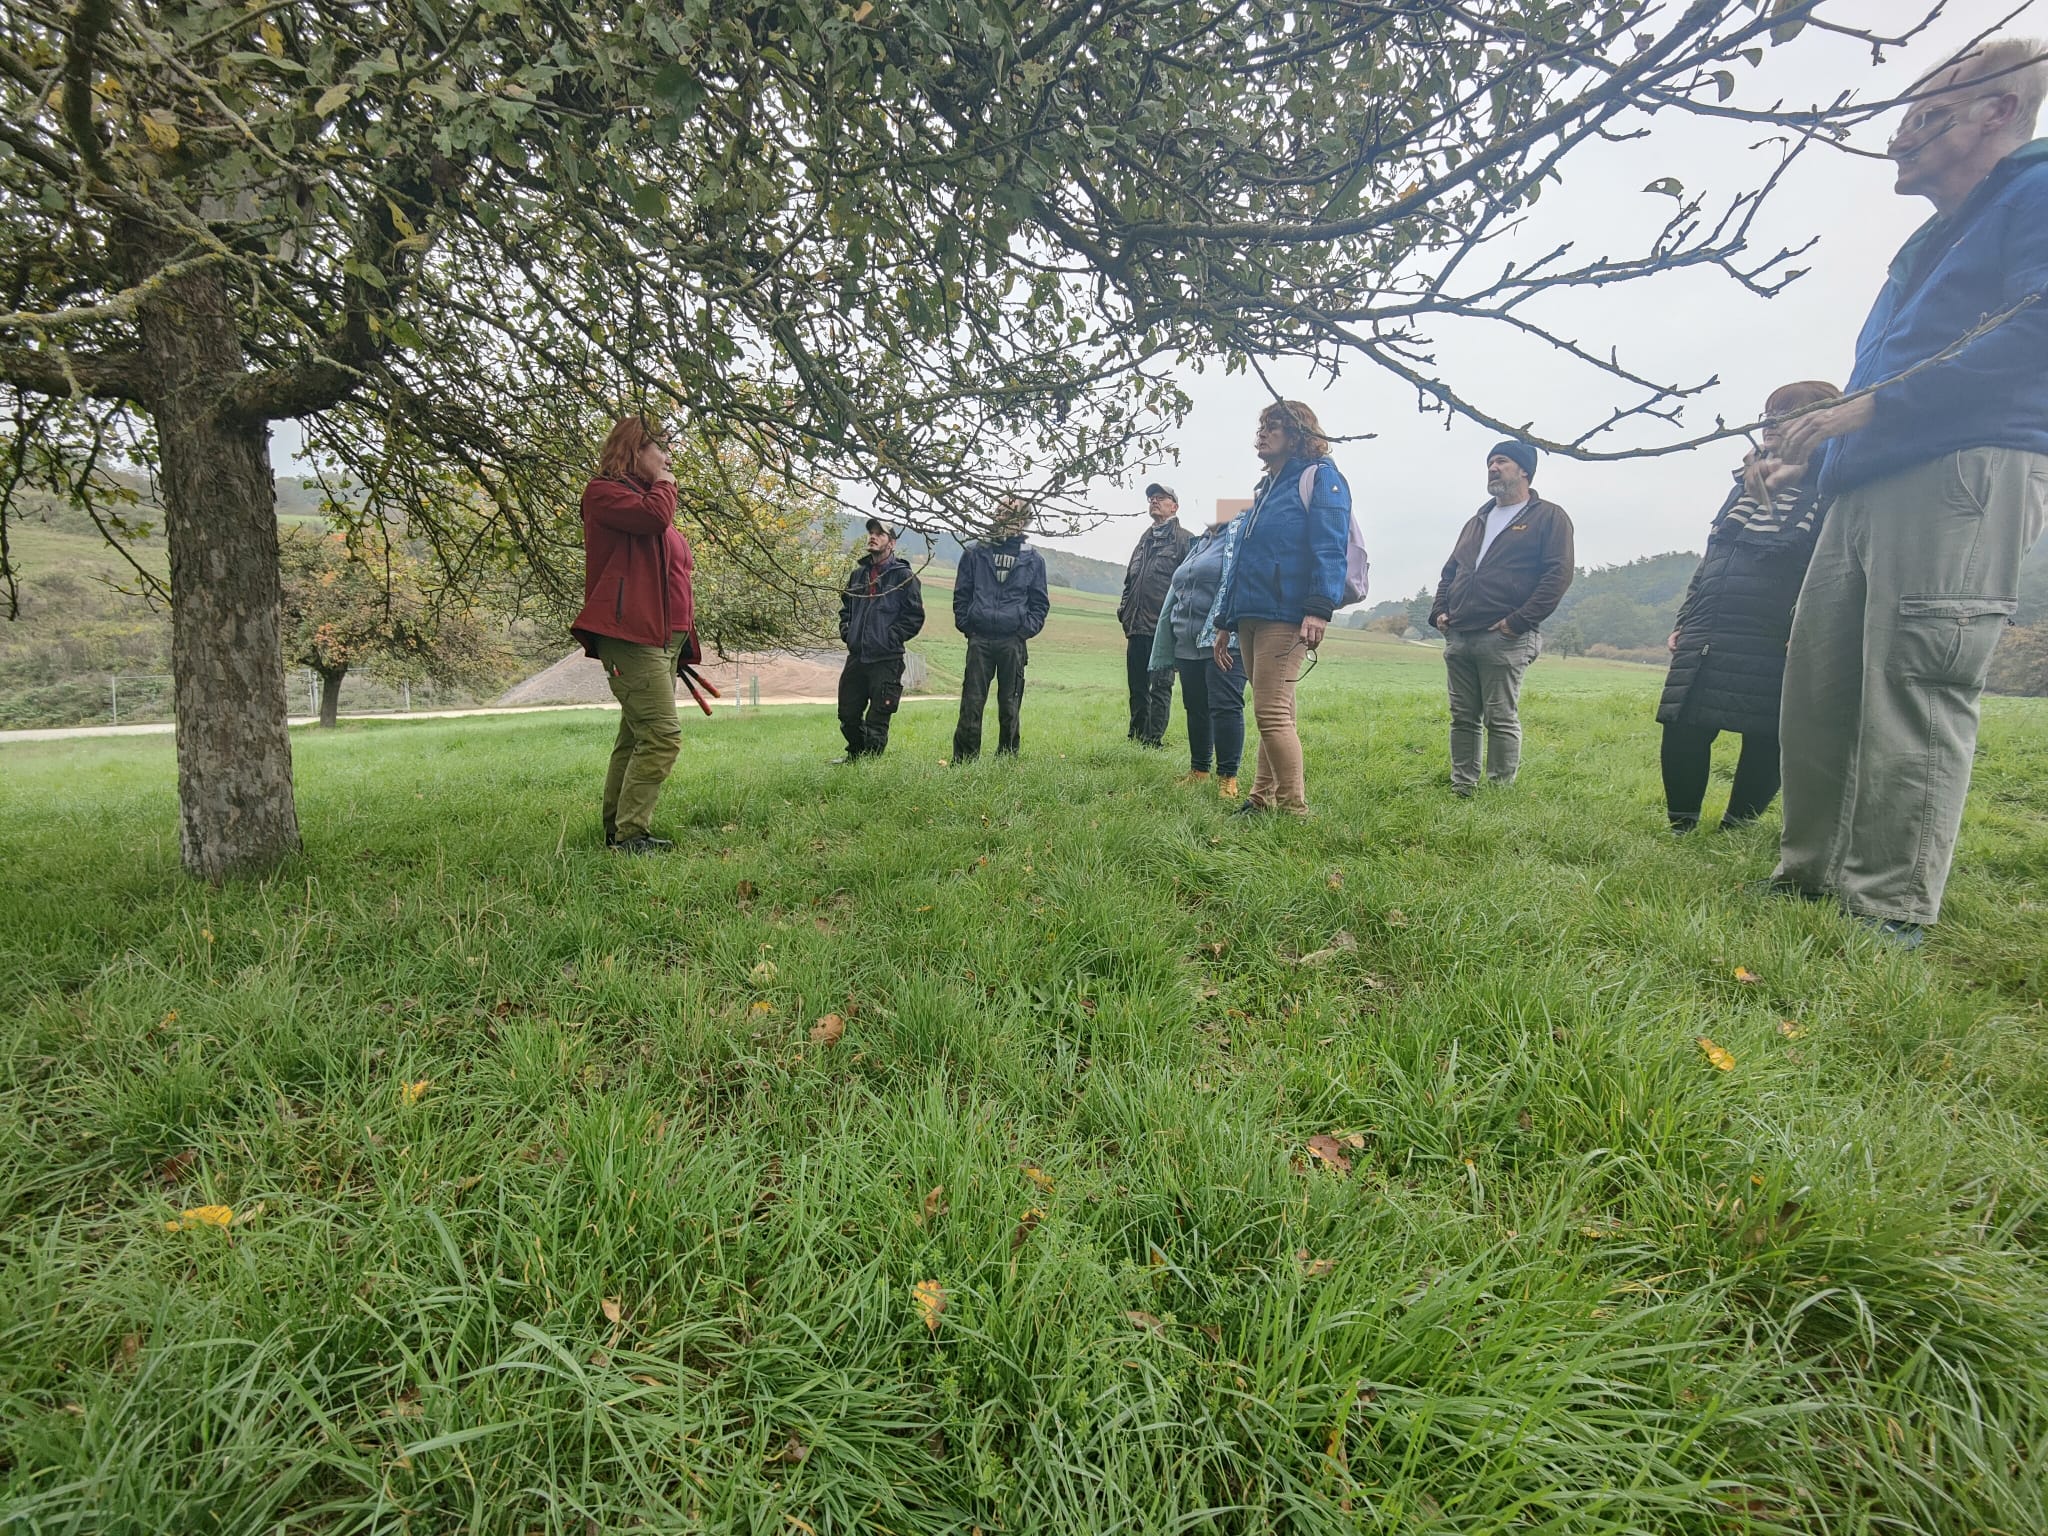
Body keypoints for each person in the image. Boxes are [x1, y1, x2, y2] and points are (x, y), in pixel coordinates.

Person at [1767, 37, 2048, 948]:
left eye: (1926, 116)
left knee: (1917, 682)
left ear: (1999, 113)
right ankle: (1809, 870)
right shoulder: (1928, 241)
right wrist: (1815, 451)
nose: (1899, 137)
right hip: (1868, 478)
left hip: (1963, 467)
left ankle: (1886, 905)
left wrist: (1877, 405)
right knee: (1822, 682)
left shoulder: (2035, 193)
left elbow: (2035, 329)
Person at [1657, 382, 1839, 832]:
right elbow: (1713, 556)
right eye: (1768, 412)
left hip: (1777, 633)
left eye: (1787, 413)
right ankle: (1681, 824)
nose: (1771, 422)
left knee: (1765, 734)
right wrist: (1687, 617)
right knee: (1682, 723)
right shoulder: (1742, 487)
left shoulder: (1831, 487)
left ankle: (1736, 827)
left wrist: (1808, 625)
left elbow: (1831, 567)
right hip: (1710, 626)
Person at [1209, 401, 1352, 816]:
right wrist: (1225, 621)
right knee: (1277, 709)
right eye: (1262, 426)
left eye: (1275, 427)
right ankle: (1261, 798)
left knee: (1270, 712)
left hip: (1286, 612)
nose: (1263, 433)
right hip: (1252, 611)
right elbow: (1242, 559)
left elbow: (1330, 545)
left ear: (1297, 434)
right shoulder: (1267, 488)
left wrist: (1318, 609)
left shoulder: (1320, 478)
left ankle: (1293, 809)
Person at [569, 415, 696, 854]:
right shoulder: (605, 494)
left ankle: (616, 829)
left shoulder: (645, 499)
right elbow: (654, 519)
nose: (667, 457)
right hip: (633, 637)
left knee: (635, 737)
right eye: (658, 447)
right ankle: (630, 836)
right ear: (634, 449)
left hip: (663, 640)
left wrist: (678, 643)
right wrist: (665, 483)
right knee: (662, 737)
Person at [1428, 441, 1575, 795]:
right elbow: (1451, 571)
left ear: (1524, 470)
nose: (1493, 468)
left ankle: (1497, 792)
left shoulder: (1549, 517)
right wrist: (1439, 612)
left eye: (1502, 461)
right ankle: (1462, 787)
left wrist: (1518, 622)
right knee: (1462, 718)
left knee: (1500, 717)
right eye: (1490, 462)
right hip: (1460, 633)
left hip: (1505, 635)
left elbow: (1557, 576)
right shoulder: (1477, 520)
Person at [1150, 502, 1248, 797]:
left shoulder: (1240, 537)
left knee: (1225, 707)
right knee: (1196, 708)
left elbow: (1238, 583)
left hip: (1223, 638)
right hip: (1186, 641)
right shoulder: (1200, 543)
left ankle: (1227, 778)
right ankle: (1199, 770)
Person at [951, 497, 1049, 762]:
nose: (1000, 516)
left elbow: (1039, 604)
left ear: (1022, 520)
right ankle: (964, 761)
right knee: (971, 701)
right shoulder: (975, 552)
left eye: (1008, 512)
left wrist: (1023, 631)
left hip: (1012, 641)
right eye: (998, 511)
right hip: (980, 638)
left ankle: (1006, 758)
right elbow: (962, 594)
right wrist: (968, 626)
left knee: (1010, 703)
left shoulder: (1033, 559)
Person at [833, 518, 925, 763]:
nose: (873, 537)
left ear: (891, 543)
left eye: (879, 534)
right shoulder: (858, 575)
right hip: (857, 656)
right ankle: (855, 755)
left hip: (887, 659)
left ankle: (869, 764)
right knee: (847, 713)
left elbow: (914, 617)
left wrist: (889, 638)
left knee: (878, 717)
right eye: (871, 533)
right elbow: (846, 609)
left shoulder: (904, 577)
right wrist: (848, 632)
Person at [1119, 483, 1193, 748]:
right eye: (1151, 498)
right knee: (1137, 686)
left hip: (1164, 628)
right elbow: (1130, 581)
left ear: (1174, 506)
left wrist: (1178, 623)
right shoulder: (1144, 540)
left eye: (1161, 498)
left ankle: (1152, 742)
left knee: (1160, 687)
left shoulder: (1185, 540)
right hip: (1136, 625)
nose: (1154, 501)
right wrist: (1123, 611)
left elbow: (1189, 586)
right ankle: (1135, 736)